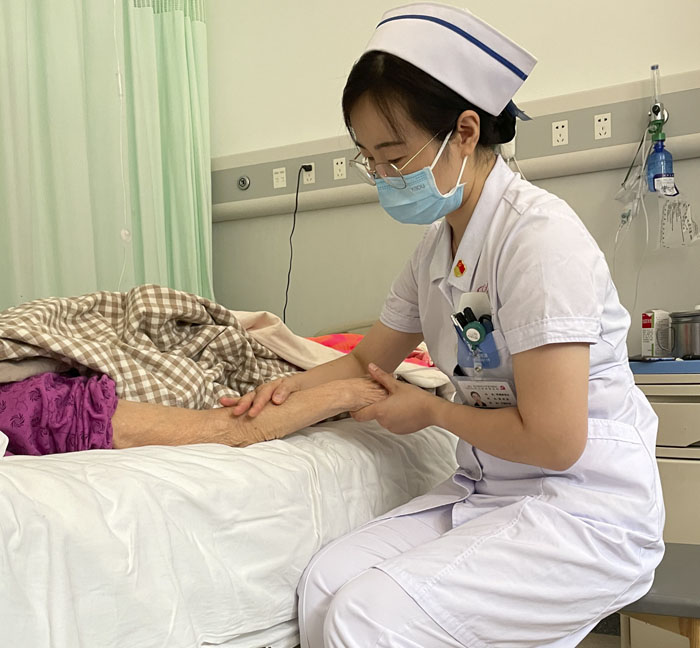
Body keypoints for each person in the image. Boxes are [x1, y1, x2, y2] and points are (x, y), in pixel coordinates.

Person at [225, 4, 665, 647]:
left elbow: (555, 442)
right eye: (368, 159)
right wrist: (286, 390)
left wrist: (431, 411)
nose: (382, 177)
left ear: (464, 132)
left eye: (394, 156)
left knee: (366, 615)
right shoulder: (437, 249)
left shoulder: (539, 241)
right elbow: (366, 360)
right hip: (492, 488)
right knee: (323, 586)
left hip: (584, 505)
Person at [0, 370, 386, 456]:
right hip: (31, 412)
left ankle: (345, 392)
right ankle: (345, 392)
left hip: (33, 407)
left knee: (221, 427)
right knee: (224, 426)